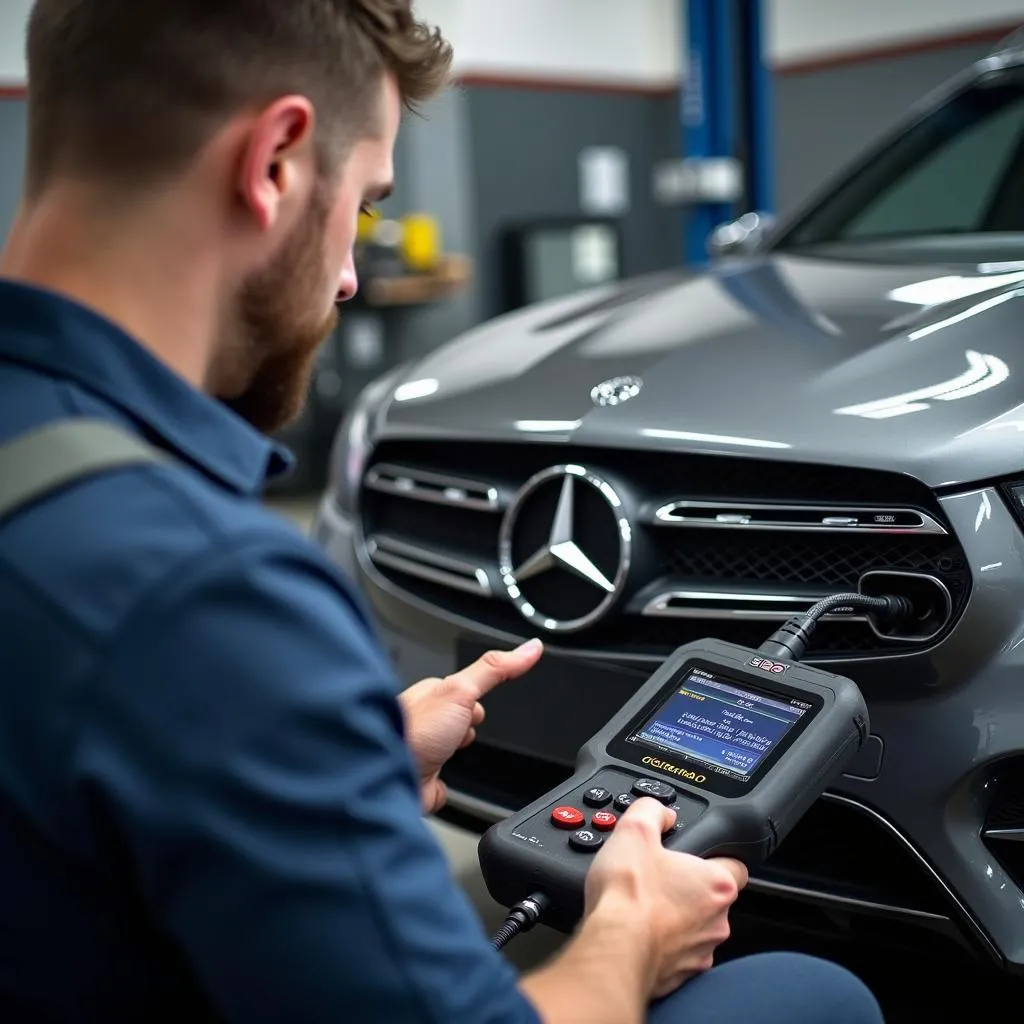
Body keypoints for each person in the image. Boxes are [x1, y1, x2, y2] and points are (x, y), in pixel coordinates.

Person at [0, 2, 885, 1022]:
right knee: (811, 992)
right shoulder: (208, 588)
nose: (345, 276)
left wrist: (319, 747)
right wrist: (630, 932)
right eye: (365, 208)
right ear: (277, 161)